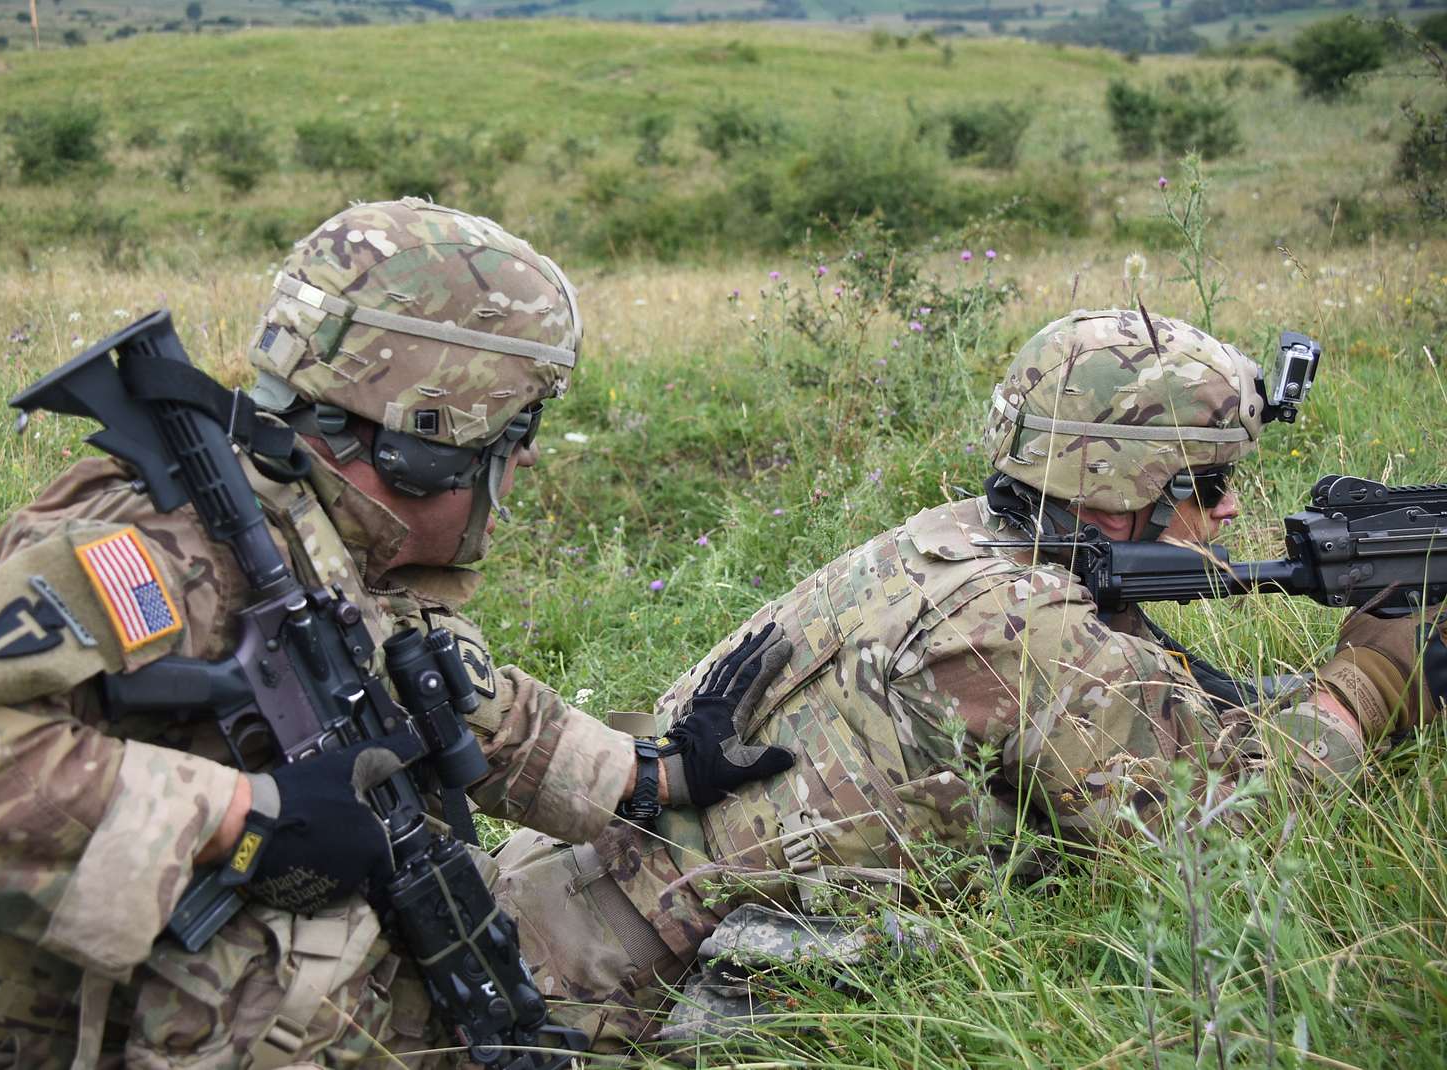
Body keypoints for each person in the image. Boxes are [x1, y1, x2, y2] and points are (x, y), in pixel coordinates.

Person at [0, 199, 793, 1069]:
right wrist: (246, 816)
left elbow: (429, 695)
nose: (526, 459)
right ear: (426, 441)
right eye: (511, 433)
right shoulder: (154, 551)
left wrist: (649, 774)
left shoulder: (307, 525)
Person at [491, 307, 1447, 1049]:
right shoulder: (1018, 625)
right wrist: (1366, 682)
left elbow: (1138, 703)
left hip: (539, 906)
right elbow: (1214, 843)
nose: (1234, 507)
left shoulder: (950, 540)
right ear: (1117, 485)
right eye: (1205, 484)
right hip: (584, 1003)